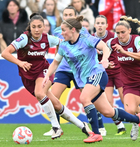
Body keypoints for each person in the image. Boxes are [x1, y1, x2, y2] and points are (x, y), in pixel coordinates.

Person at [42, 15, 140, 143]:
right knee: (108, 112)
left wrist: (105, 59)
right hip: (84, 80)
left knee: (84, 98)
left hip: (97, 74)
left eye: (64, 30)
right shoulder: (64, 46)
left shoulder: (87, 39)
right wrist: (46, 76)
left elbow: (105, 47)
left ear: (72, 30)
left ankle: (96, 133)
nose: (62, 33)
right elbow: (55, 63)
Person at [1, 13, 92, 140]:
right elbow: (5, 53)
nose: (37, 29)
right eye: (34, 27)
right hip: (27, 75)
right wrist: (20, 63)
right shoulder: (24, 39)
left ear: (44, 27)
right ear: (30, 27)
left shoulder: (48, 38)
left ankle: (56, 127)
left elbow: (64, 42)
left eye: (39, 26)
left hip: (43, 71)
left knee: (39, 93)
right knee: (55, 103)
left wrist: (58, 57)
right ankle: (82, 125)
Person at [43, 6, 107, 137]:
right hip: (64, 68)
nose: (67, 17)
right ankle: (56, 127)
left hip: (81, 69)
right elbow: (58, 51)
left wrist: (100, 54)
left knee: (89, 98)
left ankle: (100, 127)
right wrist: (53, 68)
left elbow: (88, 46)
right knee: (53, 96)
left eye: (70, 15)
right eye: (65, 14)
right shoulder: (57, 31)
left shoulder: (82, 30)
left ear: (75, 16)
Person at [93, 15, 126, 135]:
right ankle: (120, 126)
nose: (100, 25)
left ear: (107, 25)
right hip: (104, 74)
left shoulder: (113, 36)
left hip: (119, 72)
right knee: (108, 103)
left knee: (125, 100)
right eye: (98, 23)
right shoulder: (91, 39)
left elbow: (122, 50)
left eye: (102, 23)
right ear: (94, 25)